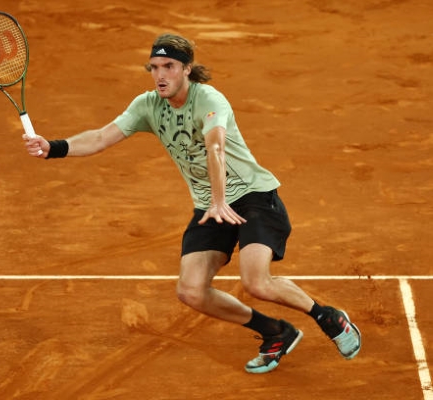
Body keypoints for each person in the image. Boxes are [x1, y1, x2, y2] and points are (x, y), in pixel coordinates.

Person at [23, 33, 361, 374]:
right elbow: (100, 137)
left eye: (169, 66)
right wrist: (54, 147)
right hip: (209, 207)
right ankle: (276, 332)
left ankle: (328, 317)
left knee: (256, 282)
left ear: (187, 68)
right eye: (154, 67)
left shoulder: (210, 100)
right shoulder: (147, 106)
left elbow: (215, 148)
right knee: (191, 290)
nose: (160, 75)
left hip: (254, 199)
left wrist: (218, 201)